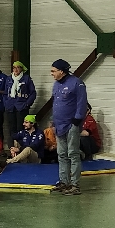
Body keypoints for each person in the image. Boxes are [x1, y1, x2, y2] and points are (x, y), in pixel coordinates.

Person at [49, 58, 88, 195]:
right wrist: (53, 121)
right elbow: (55, 104)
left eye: (53, 71)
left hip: (71, 124)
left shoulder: (77, 83)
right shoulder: (56, 85)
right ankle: (64, 182)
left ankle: (75, 185)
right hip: (59, 124)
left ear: (61, 71)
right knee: (61, 154)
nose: (51, 73)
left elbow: (82, 102)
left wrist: (77, 120)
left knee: (73, 154)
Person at [3, 60, 36, 143]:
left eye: (18, 67)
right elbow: (5, 92)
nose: (16, 69)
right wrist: (6, 103)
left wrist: (27, 104)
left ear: (22, 69)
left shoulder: (26, 78)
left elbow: (33, 93)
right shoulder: (9, 79)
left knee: (21, 127)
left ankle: (21, 145)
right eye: (14, 67)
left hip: (21, 106)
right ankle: (12, 146)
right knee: (11, 128)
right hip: (10, 106)